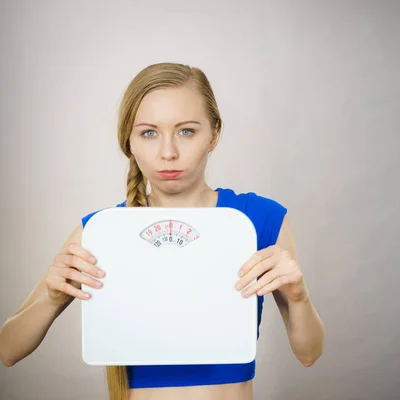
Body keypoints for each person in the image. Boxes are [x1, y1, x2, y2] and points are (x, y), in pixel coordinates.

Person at [0, 62, 325, 400]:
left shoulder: (259, 219)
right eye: (149, 133)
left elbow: (309, 353)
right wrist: (53, 299)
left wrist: (299, 297)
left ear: (213, 135)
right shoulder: (102, 231)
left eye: (186, 131)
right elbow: (7, 350)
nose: (168, 153)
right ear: (129, 141)